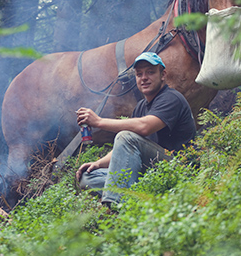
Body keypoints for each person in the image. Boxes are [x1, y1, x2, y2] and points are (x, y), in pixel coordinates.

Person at [75, 51, 196, 208]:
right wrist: (98, 163)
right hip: (151, 171)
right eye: (139, 74)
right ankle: (139, 199)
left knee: (125, 136)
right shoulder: (141, 107)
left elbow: (144, 128)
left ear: (163, 75)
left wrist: (98, 122)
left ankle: (115, 207)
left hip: (178, 169)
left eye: (150, 72)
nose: (144, 78)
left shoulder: (172, 98)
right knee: (88, 177)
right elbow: (124, 147)